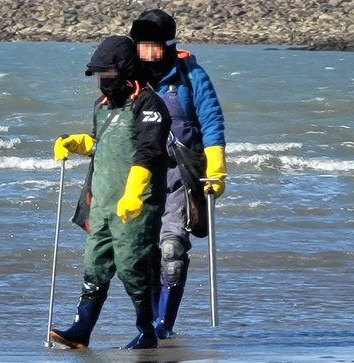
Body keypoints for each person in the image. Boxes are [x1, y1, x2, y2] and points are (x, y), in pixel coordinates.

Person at [49, 35, 171, 350]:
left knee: (133, 265)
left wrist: (133, 193)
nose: (103, 81)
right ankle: (80, 329)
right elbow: (102, 143)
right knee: (94, 264)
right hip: (102, 202)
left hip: (136, 205)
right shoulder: (103, 107)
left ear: (125, 70)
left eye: (108, 73)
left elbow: (148, 151)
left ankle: (146, 332)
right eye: (99, 74)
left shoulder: (148, 104)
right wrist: (76, 143)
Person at [129, 9, 228, 339]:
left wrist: (216, 166)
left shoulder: (191, 76)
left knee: (172, 249)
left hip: (181, 175)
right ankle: (150, 322)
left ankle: (163, 326)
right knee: (143, 255)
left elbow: (212, 121)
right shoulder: (130, 77)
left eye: (154, 46)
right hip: (138, 176)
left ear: (168, 45)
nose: (148, 54)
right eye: (142, 46)